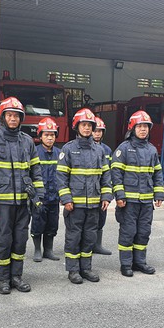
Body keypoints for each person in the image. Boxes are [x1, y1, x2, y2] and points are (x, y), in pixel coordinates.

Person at [0, 97, 44, 295]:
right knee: (3, 241)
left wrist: (38, 196)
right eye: (9, 115)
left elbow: (36, 171)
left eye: (16, 115)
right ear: (3, 117)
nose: (13, 119)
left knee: (20, 241)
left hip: (23, 202)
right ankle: (3, 279)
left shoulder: (27, 142)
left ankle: (17, 277)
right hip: (2, 203)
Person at [56, 108, 112, 284]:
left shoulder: (99, 150)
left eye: (90, 125)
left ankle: (86, 268)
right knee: (74, 237)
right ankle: (73, 270)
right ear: (77, 126)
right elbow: (61, 176)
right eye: (84, 125)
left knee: (89, 237)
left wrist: (106, 196)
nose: (87, 129)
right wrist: (66, 199)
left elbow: (106, 176)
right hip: (75, 205)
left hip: (94, 204)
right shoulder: (68, 149)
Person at [111, 110, 164, 277]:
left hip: (146, 201)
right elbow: (116, 174)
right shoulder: (124, 149)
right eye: (140, 126)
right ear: (132, 128)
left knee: (143, 232)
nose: (143, 130)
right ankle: (126, 264)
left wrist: (159, 194)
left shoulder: (152, 150)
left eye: (146, 127)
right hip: (129, 202)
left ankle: (139, 262)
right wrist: (119, 195)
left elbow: (157, 174)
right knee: (128, 232)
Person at [31, 117, 61, 262]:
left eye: (52, 135)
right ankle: (37, 250)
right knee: (38, 223)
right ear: (40, 136)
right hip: (39, 198)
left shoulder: (60, 153)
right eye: (46, 135)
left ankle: (48, 250)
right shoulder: (34, 152)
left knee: (52, 224)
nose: (50, 138)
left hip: (54, 197)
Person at [91, 116, 113, 255]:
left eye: (100, 131)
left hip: (102, 190)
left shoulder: (107, 150)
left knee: (101, 217)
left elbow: (109, 172)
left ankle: (97, 245)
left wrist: (108, 193)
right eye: (95, 130)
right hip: (88, 190)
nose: (97, 133)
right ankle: (85, 244)